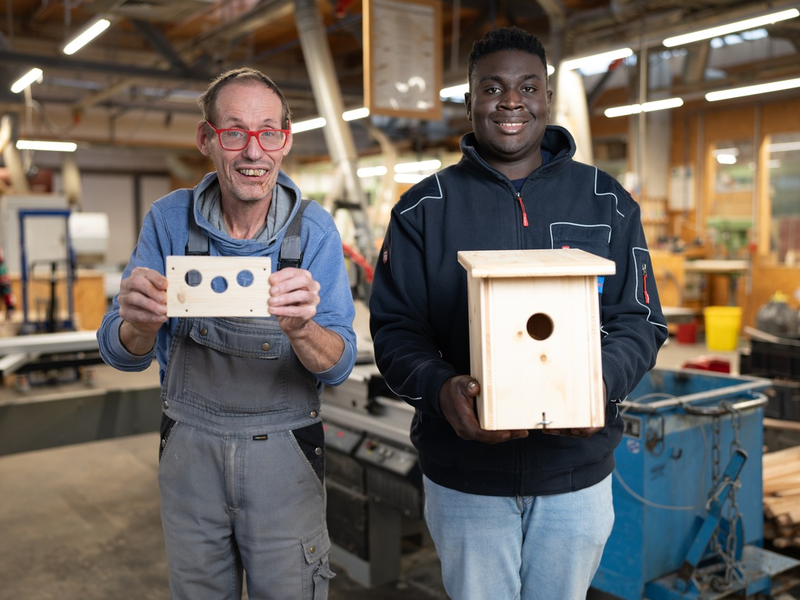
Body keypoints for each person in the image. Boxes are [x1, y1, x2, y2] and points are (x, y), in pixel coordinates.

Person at [369, 26, 668, 600]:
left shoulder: (607, 201)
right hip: (465, 482)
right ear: (469, 101)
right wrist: (440, 390)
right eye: (493, 88)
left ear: (547, 99)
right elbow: (395, 331)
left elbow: (641, 321)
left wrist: (598, 384)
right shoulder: (423, 210)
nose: (511, 102)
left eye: (528, 87)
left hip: (575, 477)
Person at [97, 67, 357, 599]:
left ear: (285, 141)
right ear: (207, 140)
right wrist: (137, 324)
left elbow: (339, 363)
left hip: (283, 457)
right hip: (190, 454)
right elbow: (121, 353)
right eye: (234, 132)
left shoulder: (315, 232)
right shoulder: (169, 221)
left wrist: (303, 330)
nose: (252, 152)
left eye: (268, 133)